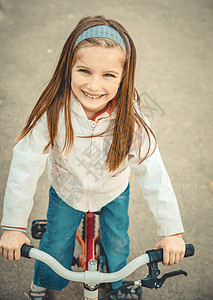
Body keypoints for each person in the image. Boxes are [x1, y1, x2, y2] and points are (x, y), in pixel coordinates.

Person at [0, 15, 185, 300]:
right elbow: (26, 163)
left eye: (108, 75)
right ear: (68, 68)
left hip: (113, 190)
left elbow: (153, 171)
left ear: (124, 77)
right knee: (55, 244)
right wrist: (13, 227)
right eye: (84, 71)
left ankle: (119, 284)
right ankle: (41, 284)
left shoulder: (131, 116)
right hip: (68, 192)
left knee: (118, 243)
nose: (94, 86)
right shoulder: (54, 110)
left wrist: (171, 231)